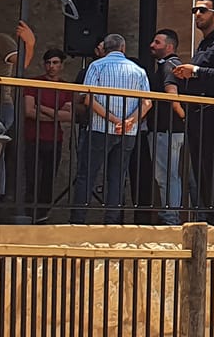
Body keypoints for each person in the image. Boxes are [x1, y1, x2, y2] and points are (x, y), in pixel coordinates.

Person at [169, 0, 214, 224]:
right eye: (195, 10)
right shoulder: (203, 44)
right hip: (197, 115)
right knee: (200, 170)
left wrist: (195, 71)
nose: (197, 14)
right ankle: (207, 217)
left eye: (202, 10)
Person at [72, 35, 148, 224]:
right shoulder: (138, 70)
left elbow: (88, 98)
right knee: (117, 177)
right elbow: (147, 103)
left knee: (87, 175)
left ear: (104, 49)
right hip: (128, 132)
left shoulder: (96, 66)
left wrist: (114, 120)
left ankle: (78, 220)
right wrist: (129, 121)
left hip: (100, 128)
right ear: (123, 48)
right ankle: (112, 221)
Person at [20, 49, 75, 220]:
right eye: (48, 63)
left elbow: (69, 116)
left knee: (49, 179)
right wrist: (56, 114)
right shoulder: (33, 83)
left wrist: (41, 108)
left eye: (55, 62)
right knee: (32, 178)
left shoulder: (66, 87)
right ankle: (29, 214)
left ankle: (43, 215)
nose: (51, 66)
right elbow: (29, 111)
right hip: (33, 137)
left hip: (55, 139)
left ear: (62, 65)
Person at [146, 29, 187, 226]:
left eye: (157, 42)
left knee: (166, 176)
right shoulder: (172, 65)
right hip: (169, 130)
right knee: (169, 175)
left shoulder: (169, 66)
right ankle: (171, 214)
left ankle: (171, 217)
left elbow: (173, 97)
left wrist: (183, 117)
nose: (152, 45)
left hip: (166, 130)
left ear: (169, 46)